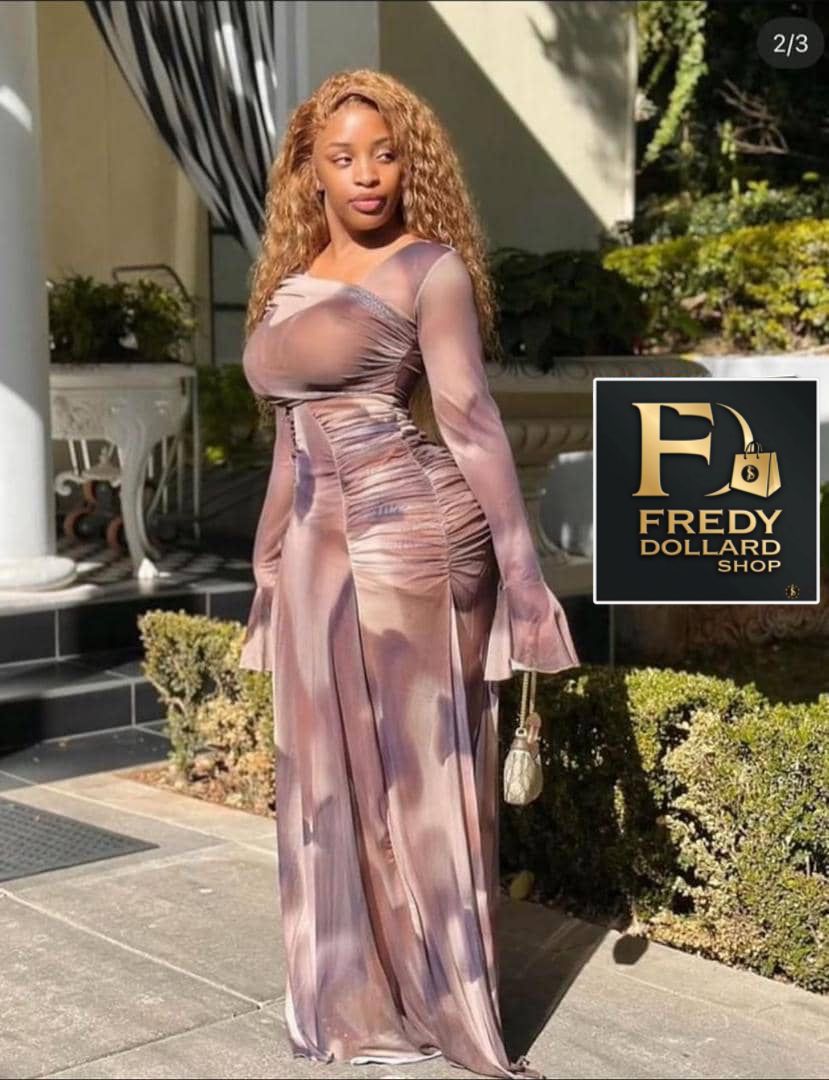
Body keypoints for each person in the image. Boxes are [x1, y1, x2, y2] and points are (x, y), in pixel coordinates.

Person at [237, 68, 580, 1080]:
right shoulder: (294, 275)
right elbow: (291, 435)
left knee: (416, 779)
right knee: (326, 777)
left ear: (408, 162)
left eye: (384, 154)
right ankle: (358, 1000)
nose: (366, 174)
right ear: (309, 170)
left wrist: (524, 574)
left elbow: (469, 421)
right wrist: (267, 561)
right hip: (316, 548)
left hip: (405, 532)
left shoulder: (429, 270)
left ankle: (450, 1005)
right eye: (342, 157)